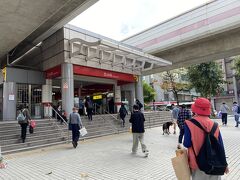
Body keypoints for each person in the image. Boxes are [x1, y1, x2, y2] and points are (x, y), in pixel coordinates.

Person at [184, 98, 229, 179]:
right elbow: (220, 146)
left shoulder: (189, 123)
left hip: (197, 163)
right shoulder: (214, 124)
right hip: (215, 163)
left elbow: (187, 143)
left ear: (195, 109)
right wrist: (225, 164)